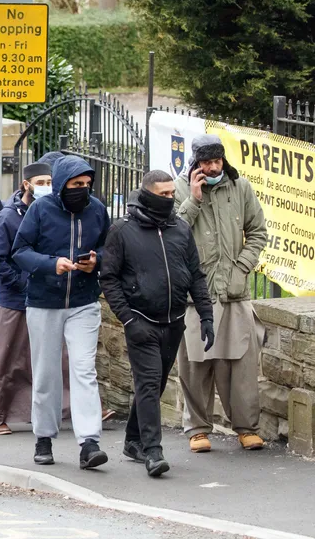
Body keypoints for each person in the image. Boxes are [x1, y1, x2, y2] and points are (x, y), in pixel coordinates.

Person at [101, 172, 215, 476]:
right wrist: (127, 318)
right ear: (148, 194)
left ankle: (133, 440)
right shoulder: (122, 231)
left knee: (157, 382)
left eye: (171, 193)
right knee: (149, 383)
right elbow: (109, 278)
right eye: (163, 194)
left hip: (174, 320)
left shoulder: (180, 228)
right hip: (141, 321)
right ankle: (153, 451)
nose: (170, 198)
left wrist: (206, 315)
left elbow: (196, 275)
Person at [12, 156, 111, 470]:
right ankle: (44, 436)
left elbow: (110, 248)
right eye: (75, 185)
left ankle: (89, 441)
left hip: (83, 300)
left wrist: (97, 261)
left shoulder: (97, 209)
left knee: (83, 370)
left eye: (86, 185)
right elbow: (20, 251)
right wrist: (50, 264)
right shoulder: (41, 210)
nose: (82, 190)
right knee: (46, 373)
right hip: (44, 301)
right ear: (61, 184)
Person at [175, 134, 268, 453]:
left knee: (240, 364)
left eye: (217, 161)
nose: (213, 168)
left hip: (234, 291)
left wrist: (242, 267)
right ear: (195, 164)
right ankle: (198, 429)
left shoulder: (240, 187)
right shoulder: (181, 188)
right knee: (195, 364)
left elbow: (258, 232)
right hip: (195, 295)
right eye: (206, 163)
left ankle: (246, 428)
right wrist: (194, 199)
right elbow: (173, 235)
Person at [0, 161, 52, 435]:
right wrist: (25, 285)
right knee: (5, 358)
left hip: (44, 298)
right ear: (26, 184)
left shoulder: (48, 212)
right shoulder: (7, 217)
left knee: (52, 358)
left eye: (50, 182)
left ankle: (61, 410)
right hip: (13, 300)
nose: (46, 187)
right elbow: (0, 262)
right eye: (41, 182)